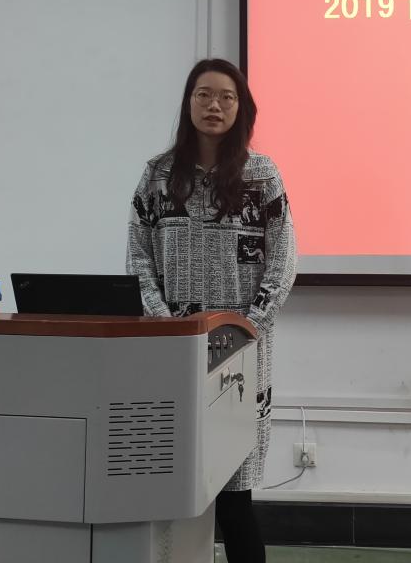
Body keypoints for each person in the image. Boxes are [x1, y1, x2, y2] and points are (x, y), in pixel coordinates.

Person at [127, 58, 297, 563]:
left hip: (240, 352)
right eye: (203, 94)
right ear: (189, 103)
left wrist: (248, 325)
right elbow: (138, 256)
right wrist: (165, 324)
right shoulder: (157, 176)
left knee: (234, 498)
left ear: (241, 108)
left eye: (227, 96)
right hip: (172, 351)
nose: (214, 106)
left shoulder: (262, 175)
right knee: (173, 484)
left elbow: (283, 261)